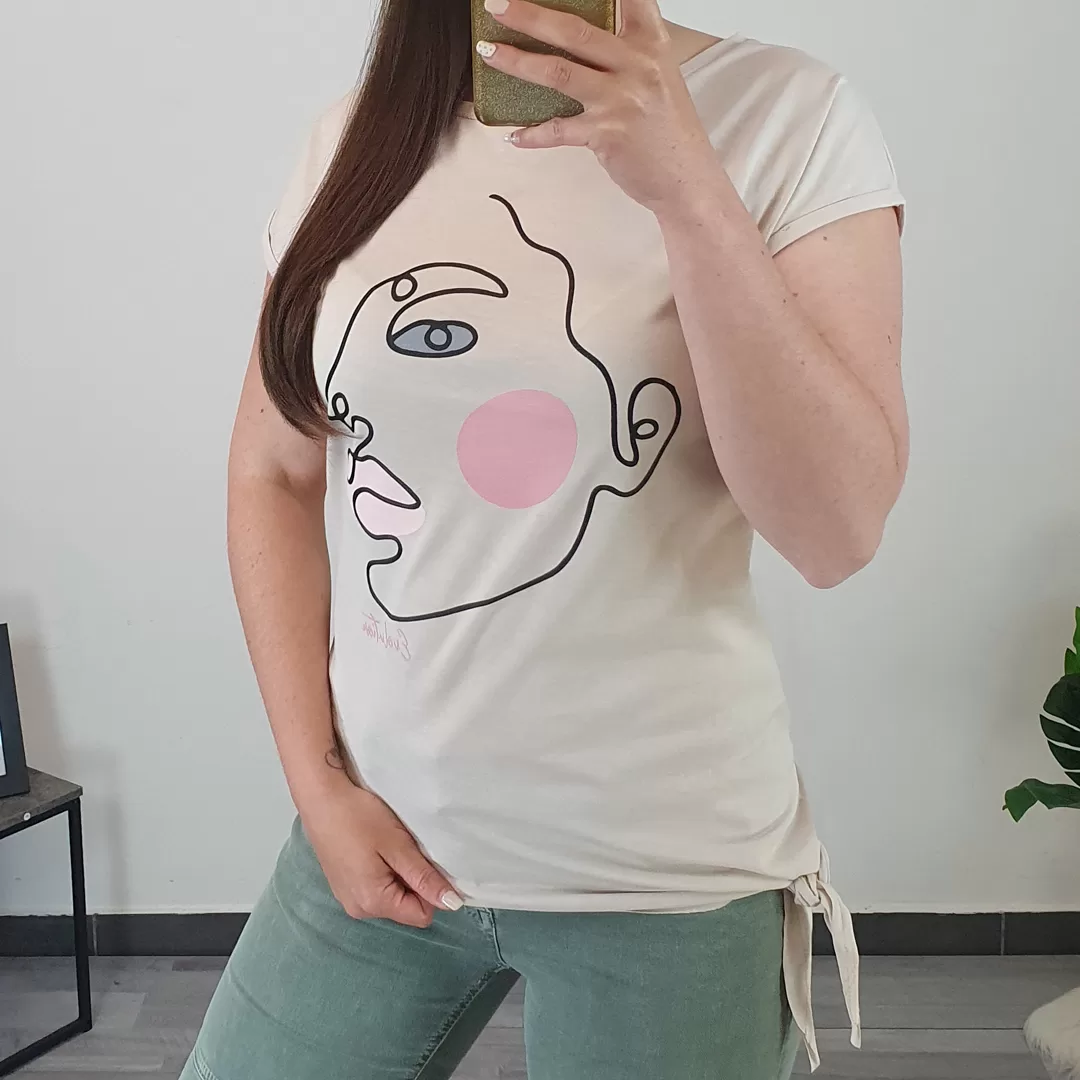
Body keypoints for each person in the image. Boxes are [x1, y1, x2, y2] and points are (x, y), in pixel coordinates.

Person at [181, 0, 907, 1077]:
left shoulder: (785, 118)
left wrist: (687, 188)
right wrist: (317, 785)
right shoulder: (356, 140)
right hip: (379, 842)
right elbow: (275, 472)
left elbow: (835, 531)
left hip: (661, 883)